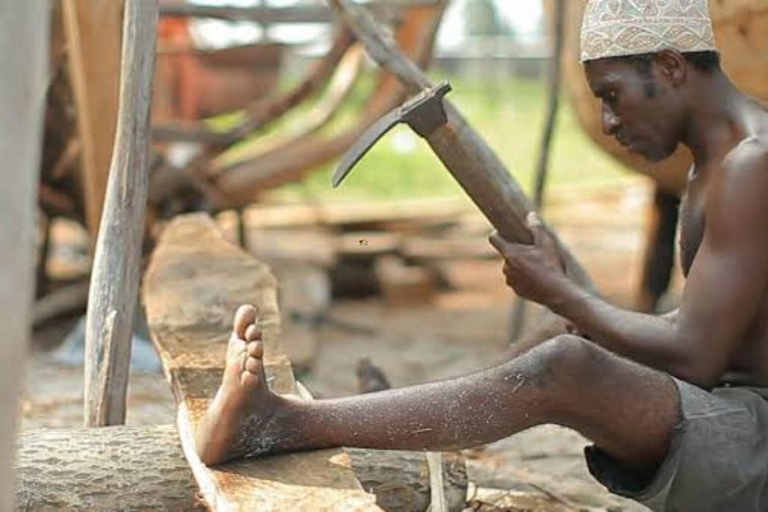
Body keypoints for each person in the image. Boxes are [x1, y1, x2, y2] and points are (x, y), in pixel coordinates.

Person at [196, 1, 768, 509]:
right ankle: (397, 420)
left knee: (567, 364)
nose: (608, 123)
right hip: (734, 411)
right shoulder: (714, 163)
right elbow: (707, 332)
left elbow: (694, 355)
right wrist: (574, 305)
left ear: (670, 66)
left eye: (612, 96)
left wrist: (561, 290)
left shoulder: (751, 164)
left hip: (756, 445)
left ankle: (281, 424)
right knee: (566, 334)